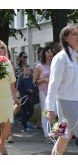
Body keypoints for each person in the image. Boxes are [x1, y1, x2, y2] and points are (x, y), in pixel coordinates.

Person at [45, 24, 78, 155]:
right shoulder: (61, 58)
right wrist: (49, 110)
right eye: (75, 34)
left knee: (64, 136)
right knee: (65, 135)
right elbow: (52, 86)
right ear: (65, 38)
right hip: (66, 102)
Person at [33, 46, 56, 144]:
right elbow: (34, 80)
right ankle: (47, 135)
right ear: (44, 54)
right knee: (45, 111)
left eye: (51, 52)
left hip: (54, 91)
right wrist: (44, 80)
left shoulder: (55, 64)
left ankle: (54, 133)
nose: (50, 54)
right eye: (48, 52)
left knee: (55, 112)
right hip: (43, 90)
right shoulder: (39, 66)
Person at [17, 65, 34, 132]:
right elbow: (19, 88)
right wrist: (27, 90)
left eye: (28, 70)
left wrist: (32, 90)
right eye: (26, 70)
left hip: (30, 97)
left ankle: (23, 121)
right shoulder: (21, 79)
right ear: (23, 71)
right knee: (24, 111)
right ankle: (24, 126)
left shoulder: (31, 78)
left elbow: (33, 86)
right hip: (24, 98)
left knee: (31, 112)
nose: (27, 72)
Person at [34, 47, 44, 130]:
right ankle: (39, 122)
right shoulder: (37, 64)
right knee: (41, 107)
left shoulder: (52, 63)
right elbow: (35, 78)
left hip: (50, 89)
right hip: (40, 89)